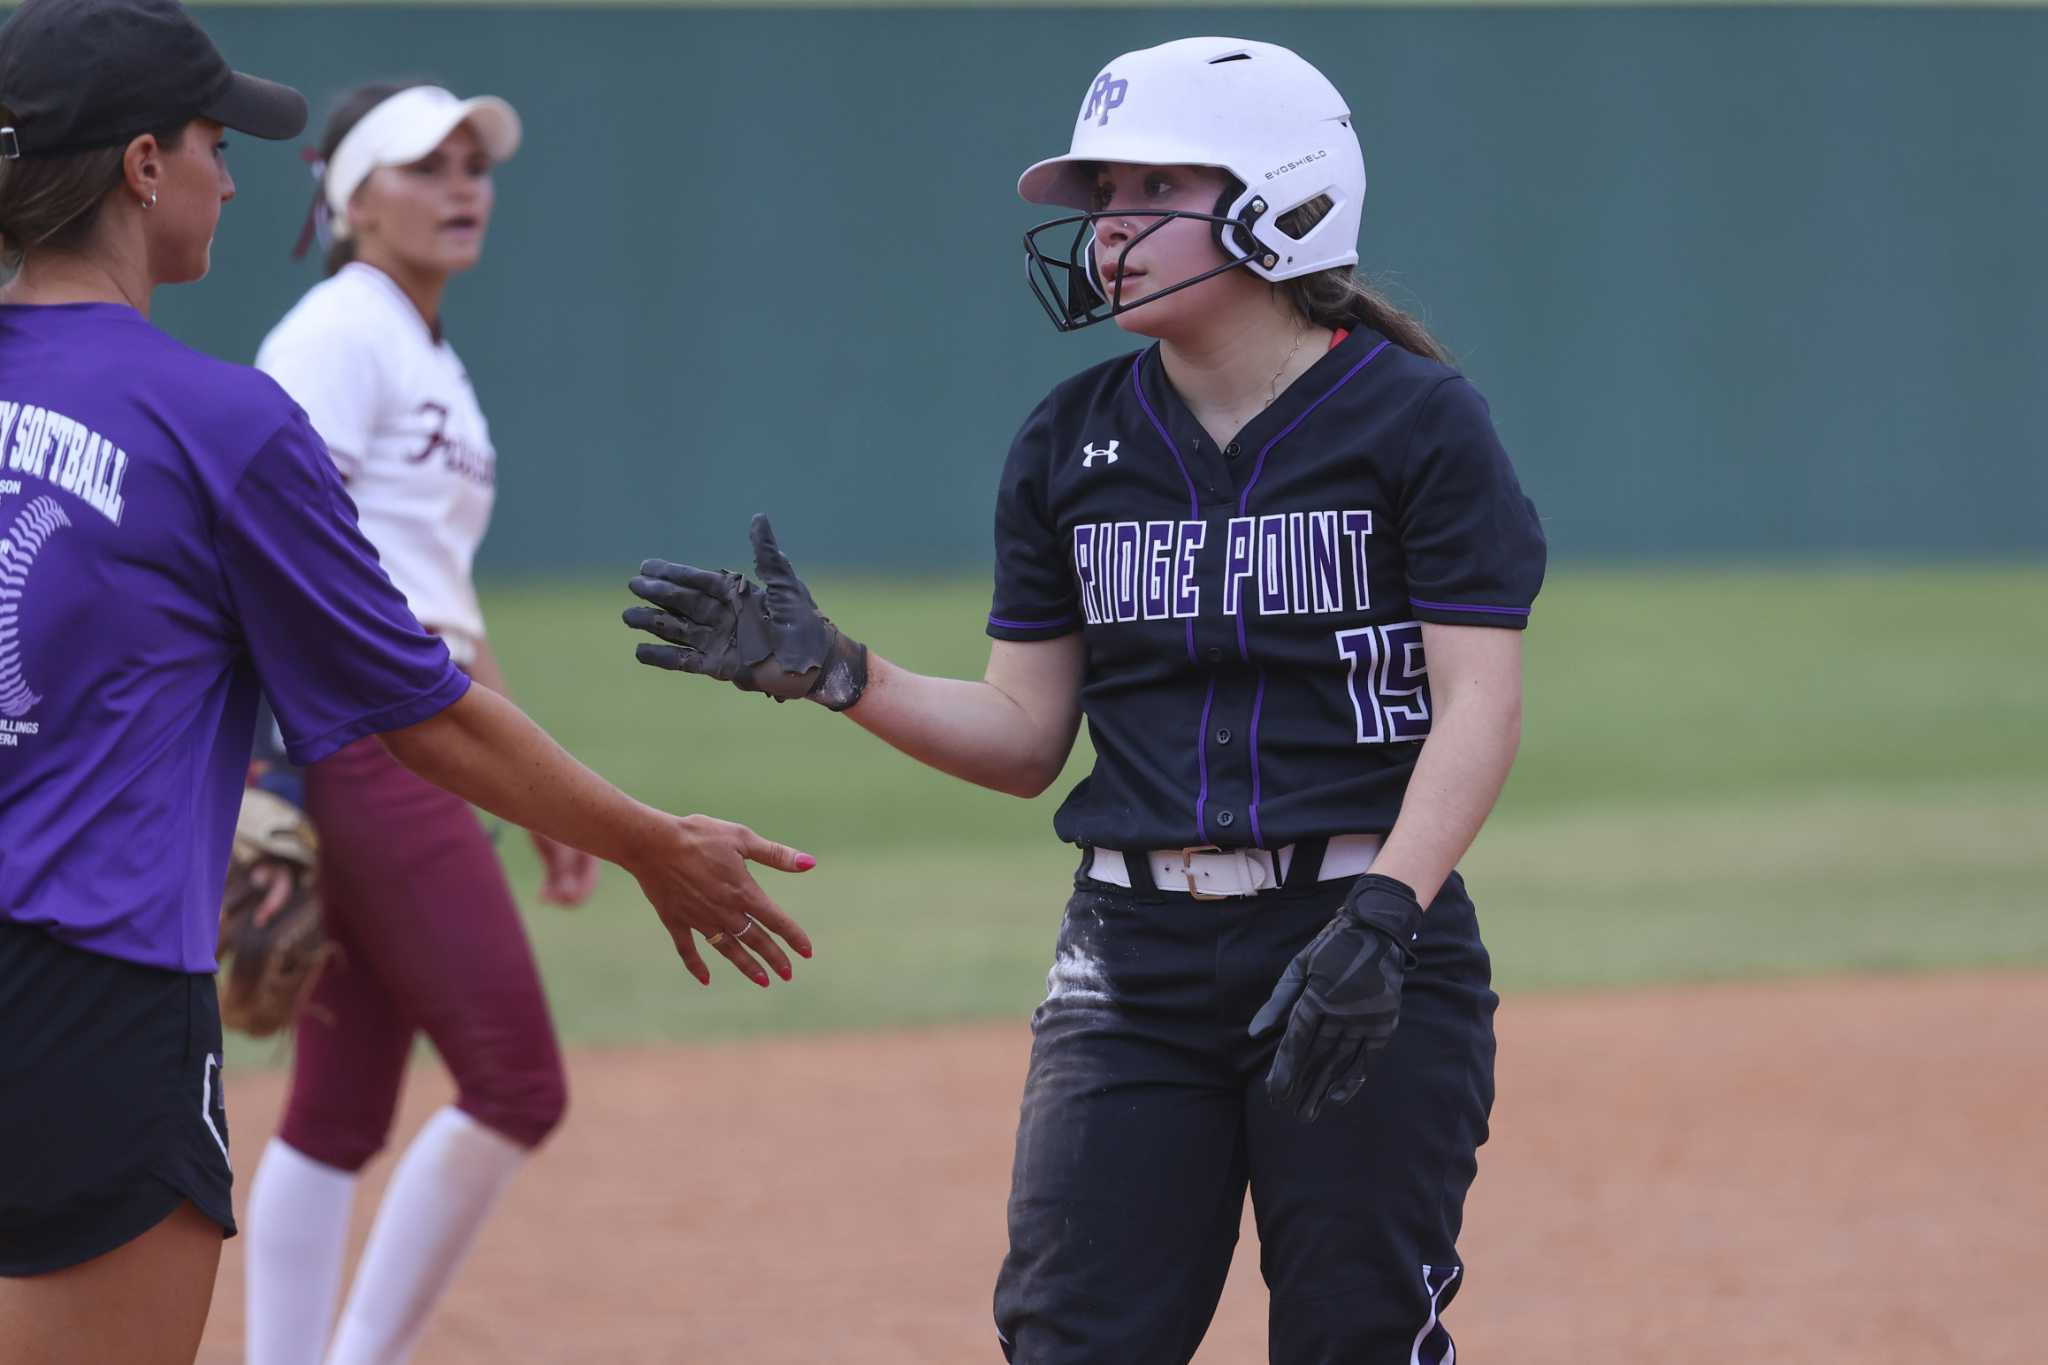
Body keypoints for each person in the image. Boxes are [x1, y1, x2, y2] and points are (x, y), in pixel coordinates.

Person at [622, 36, 1543, 1364]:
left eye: (1154, 190)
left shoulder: (1416, 423)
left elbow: (1478, 704)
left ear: (1279, 199)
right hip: (1132, 956)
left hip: (1363, 936)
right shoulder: (1070, 441)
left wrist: (1386, 918)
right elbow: (1023, 737)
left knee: (1357, 1335)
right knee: (1070, 1339)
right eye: (1105, 196)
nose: (1111, 230)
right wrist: (838, 672)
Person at [0, 4, 812, 1363]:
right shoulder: (223, 417)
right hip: (93, 993)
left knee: (347, 1096)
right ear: (143, 169)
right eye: (212, 142)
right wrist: (650, 843)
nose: (234, 175)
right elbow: (413, 703)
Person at [231, 79, 624, 1365]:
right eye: (422, 164)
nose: (461, 184)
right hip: (361, 741)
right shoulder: (341, 328)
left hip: (407, 723)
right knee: (517, 1083)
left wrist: (536, 784)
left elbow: (434, 599)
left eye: (472, 161)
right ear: (350, 200)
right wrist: (272, 768)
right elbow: (269, 550)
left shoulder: (421, 346)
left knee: (338, 1110)